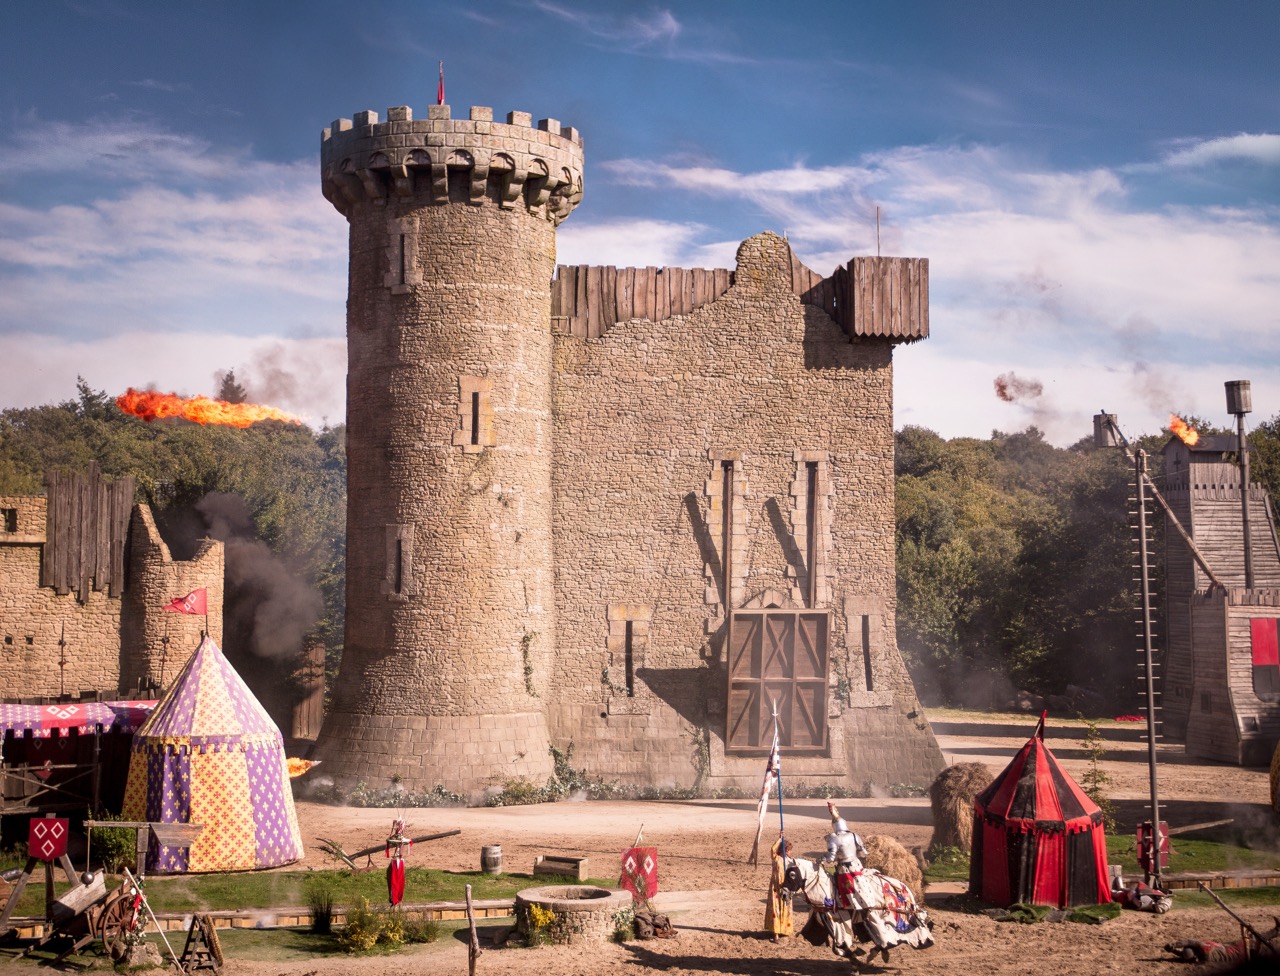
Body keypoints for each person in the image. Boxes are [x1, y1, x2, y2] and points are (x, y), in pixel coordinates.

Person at [823, 801, 867, 911]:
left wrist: (824, 858)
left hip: (844, 868)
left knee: (835, 883)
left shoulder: (833, 838)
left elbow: (830, 859)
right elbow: (863, 853)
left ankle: (843, 904)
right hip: (857, 865)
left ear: (834, 827)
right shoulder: (854, 835)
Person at [765, 836, 795, 942]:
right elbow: (773, 849)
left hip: (785, 886)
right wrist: (780, 839)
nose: (790, 852)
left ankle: (784, 930)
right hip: (776, 888)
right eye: (788, 850)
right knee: (776, 909)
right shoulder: (776, 858)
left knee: (785, 907)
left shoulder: (790, 861)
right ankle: (776, 933)